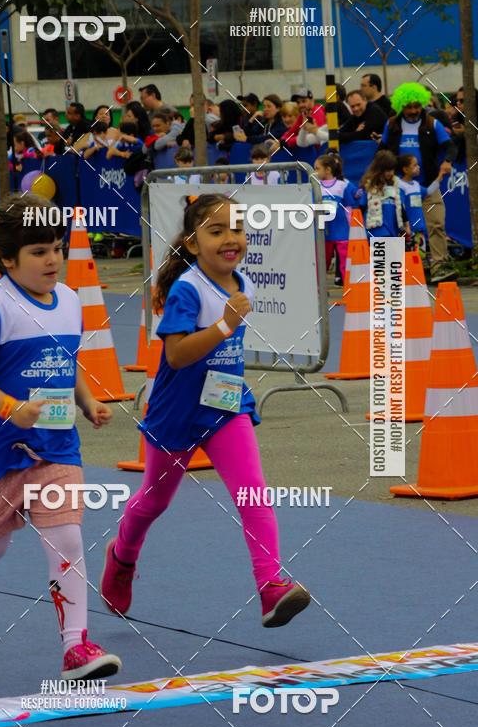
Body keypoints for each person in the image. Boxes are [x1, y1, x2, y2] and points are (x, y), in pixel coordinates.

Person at [0, 194, 122, 681]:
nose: (53, 259)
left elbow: (66, 360)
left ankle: (75, 647)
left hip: (55, 446)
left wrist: (86, 401)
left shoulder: (72, 302)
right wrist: (9, 407)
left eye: (56, 247)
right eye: (39, 251)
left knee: (67, 538)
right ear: (8, 258)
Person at [99, 193, 311, 627]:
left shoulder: (243, 283)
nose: (230, 238)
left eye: (236, 228)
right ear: (194, 244)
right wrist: (224, 325)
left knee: (254, 493)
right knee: (154, 501)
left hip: (226, 408)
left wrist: (228, 327)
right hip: (176, 412)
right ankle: (122, 556)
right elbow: (175, 356)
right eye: (216, 231)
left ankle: (271, 585)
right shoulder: (187, 290)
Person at [377, 82, 457, 283]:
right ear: (401, 106)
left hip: (429, 186)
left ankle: (439, 266)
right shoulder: (392, 124)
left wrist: (447, 161)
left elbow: (450, 146)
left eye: (416, 106)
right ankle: (402, 269)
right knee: (399, 227)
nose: (413, 111)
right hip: (399, 189)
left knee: (436, 223)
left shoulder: (432, 124)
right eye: (408, 107)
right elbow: (381, 151)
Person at [314, 154, 359, 284]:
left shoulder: (342, 186)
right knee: (321, 264)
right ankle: (319, 290)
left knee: (345, 263)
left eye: (317, 169)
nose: (314, 172)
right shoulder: (315, 186)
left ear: (328, 170)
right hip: (323, 233)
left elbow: (348, 208)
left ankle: (349, 290)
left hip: (342, 232)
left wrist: (351, 229)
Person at [397, 153, 445, 254]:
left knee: (420, 256)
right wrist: (405, 227)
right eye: (414, 165)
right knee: (408, 257)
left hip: (419, 229)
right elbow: (400, 207)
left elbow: (429, 191)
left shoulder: (416, 185)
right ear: (405, 169)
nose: (418, 167)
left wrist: (440, 176)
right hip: (408, 230)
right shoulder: (400, 186)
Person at [359, 150, 409, 239]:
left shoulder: (395, 184)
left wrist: (406, 226)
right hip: (377, 227)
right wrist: (358, 225)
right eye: (388, 170)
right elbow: (362, 207)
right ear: (379, 169)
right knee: (383, 249)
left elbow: (400, 206)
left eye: (392, 170)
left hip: (393, 228)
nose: (391, 173)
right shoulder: (370, 185)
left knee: (392, 252)